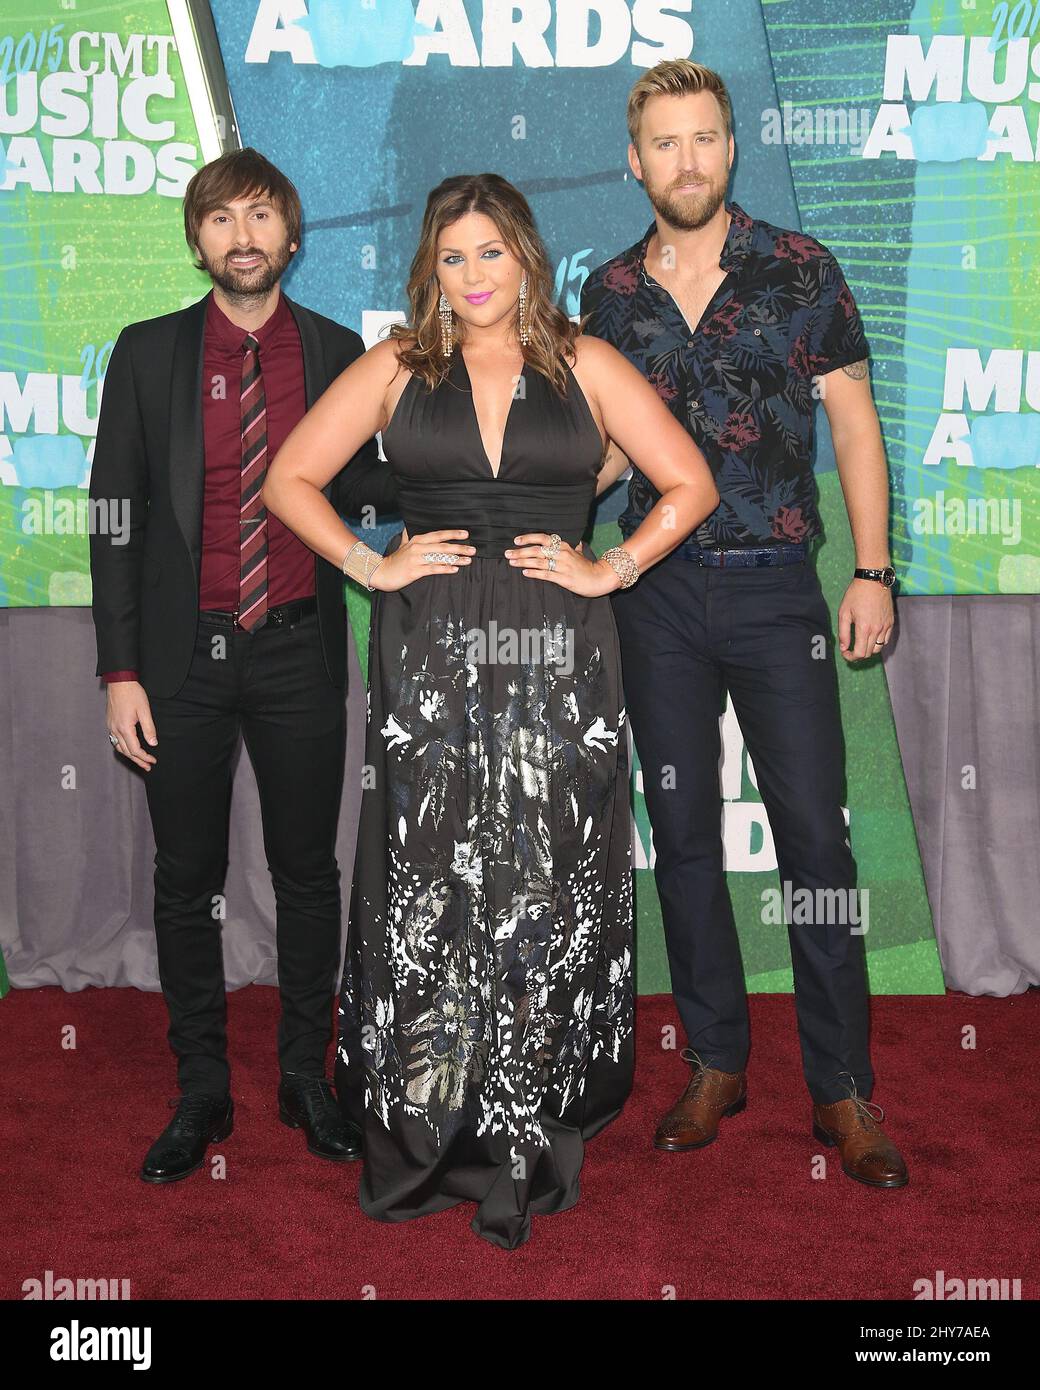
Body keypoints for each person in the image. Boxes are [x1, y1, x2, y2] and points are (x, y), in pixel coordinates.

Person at [262, 172, 719, 1248]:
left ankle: (532, 1115)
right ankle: (431, 1111)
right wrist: (366, 566)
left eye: (489, 253)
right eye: (451, 257)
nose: (471, 277)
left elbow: (687, 482)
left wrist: (614, 566)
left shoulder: (585, 362)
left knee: (545, 876)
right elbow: (289, 479)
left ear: (525, 253)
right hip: (429, 653)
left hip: (561, 653)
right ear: (431, 267)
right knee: (433, 877)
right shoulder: (395, 368)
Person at [580, 60, 910, 1188]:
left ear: (732, 148)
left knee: (814, 841)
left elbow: (854, 430)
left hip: (778, 591)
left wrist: (871, 569)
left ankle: (839, 1087)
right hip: (654, 594)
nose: (685, 160)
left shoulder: (799, 266)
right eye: (663, 143)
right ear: (635, 161)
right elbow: (614, 448)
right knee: (678, 840)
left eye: (703, 139)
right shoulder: (608, 291)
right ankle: (715, 1060)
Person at [88, 148, 398, 1184]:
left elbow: (362, 486)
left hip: (300, 649)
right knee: (187, 882)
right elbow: (114, 524)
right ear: (197, 241)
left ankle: (305, 1080)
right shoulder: (146, 355)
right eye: (220, 219)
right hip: (179, 662)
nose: (242, 235)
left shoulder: (338, 348)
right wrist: (118, 671)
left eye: (261, 216)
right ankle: (199, 1088)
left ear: (292, 235)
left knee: (310, 875)